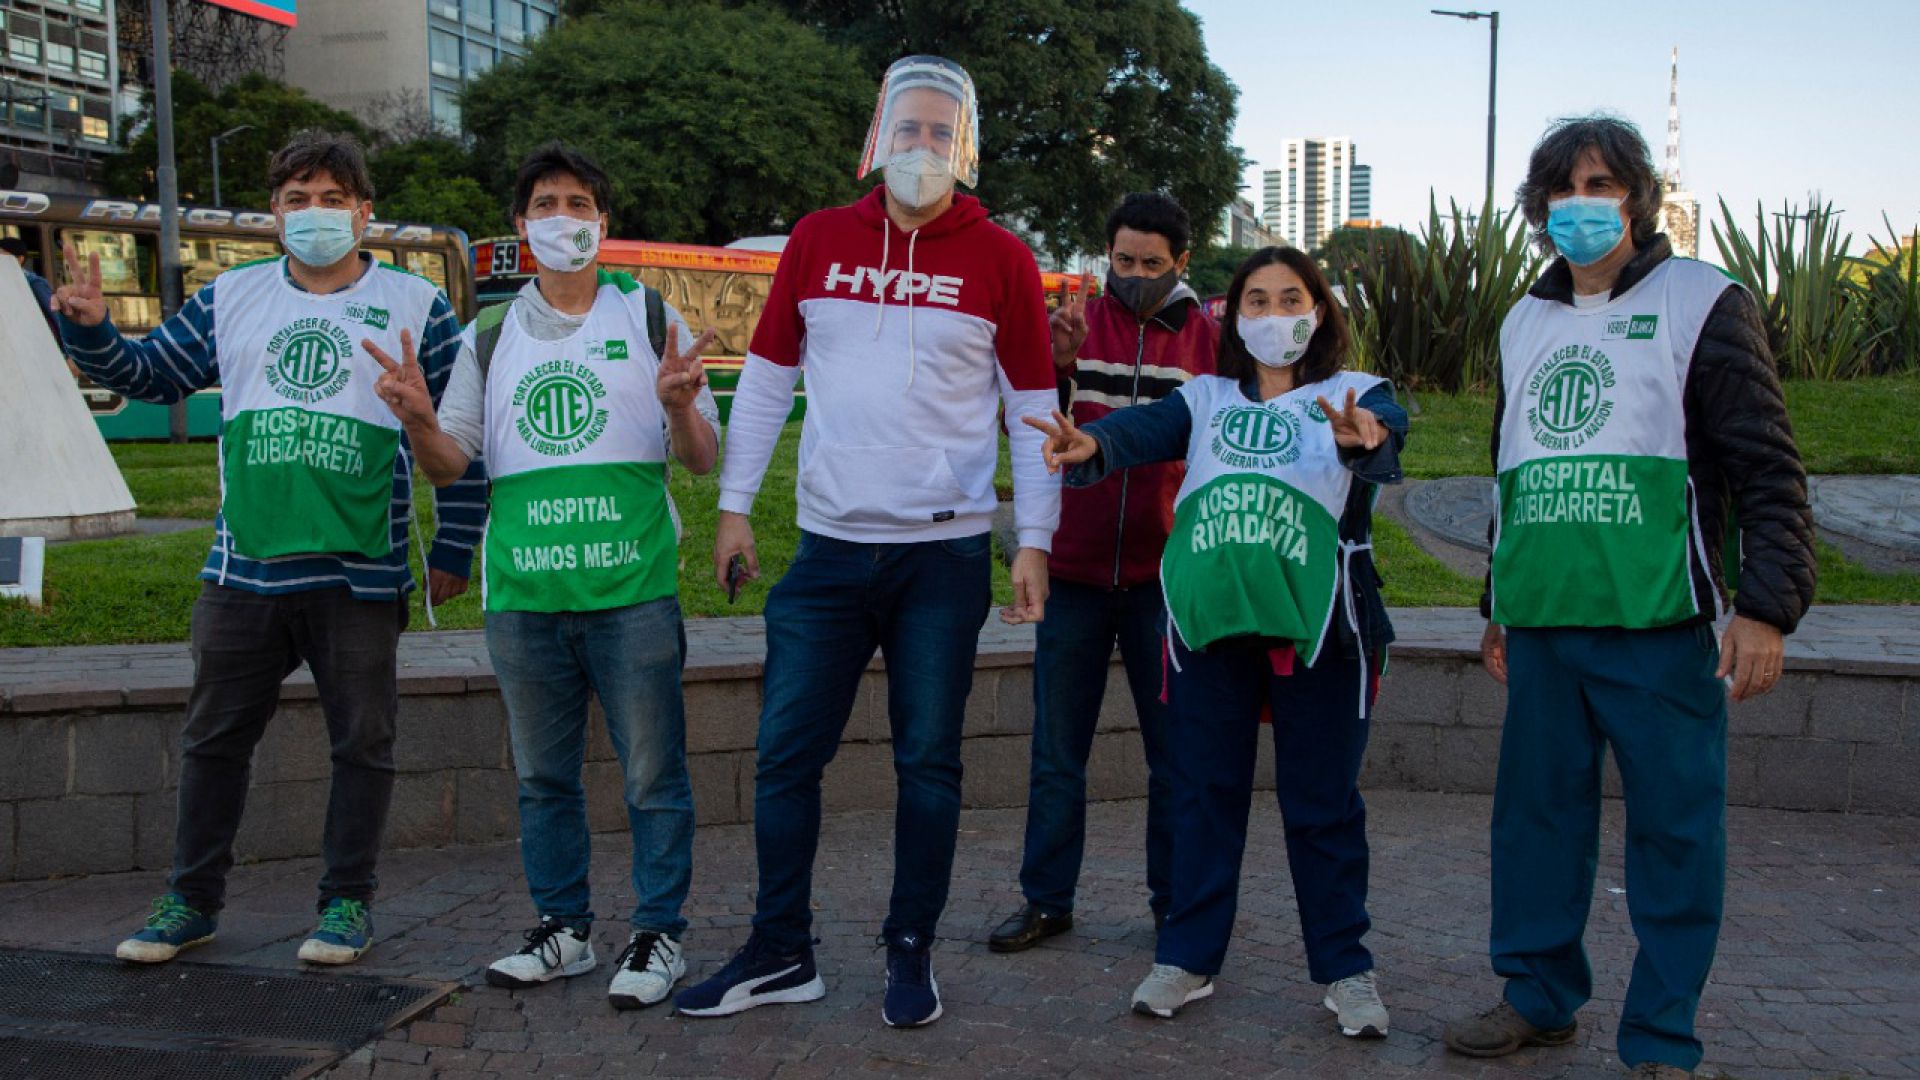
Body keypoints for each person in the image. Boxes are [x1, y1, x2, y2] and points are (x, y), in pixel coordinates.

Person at [675, 55, 1059, 1029]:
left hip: (942, 558)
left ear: (963, 148)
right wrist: (732, 507)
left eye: (940, 133)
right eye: (908, 129)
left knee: (928, 763)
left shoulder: (1001, 257)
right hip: (828, 554)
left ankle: (909, 948)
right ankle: (779, 950)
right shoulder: (817, 241)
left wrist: (1035, 538)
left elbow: (1032, 408)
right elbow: (764, 381)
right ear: (878, 137)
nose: (920, 148)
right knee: (782, 758)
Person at [52, 130, 485, 967]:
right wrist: (95, 332)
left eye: (332, 198)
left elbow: (463, 437)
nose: (314, 214)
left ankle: (346, 906)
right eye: (296, 199)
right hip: (241, 569)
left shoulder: (418, 306)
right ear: (272, 215)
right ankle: (191, 899)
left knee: (362, 744)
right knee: (213, 740)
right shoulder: (232, 296)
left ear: (365, 211)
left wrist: (456, 547)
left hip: (360, 572)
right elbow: (151, 374)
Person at [1441, 116, 1815, 1080]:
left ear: (1638, 199)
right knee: (1535, 824)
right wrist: (1497, 596)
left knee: (1676, 833)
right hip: (1546, 626)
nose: (1580, 206)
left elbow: (1767, 466)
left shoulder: (1705, 301)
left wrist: (1768, 606)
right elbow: (1511, 467)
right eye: (1562, 190)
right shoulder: (1524, 319)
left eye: (1600, 185)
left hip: (1661, 626)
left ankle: (1660, 1036)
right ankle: (1538, 993)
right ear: (1538, 208)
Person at [371, 143, 719, 1010]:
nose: (563, 217)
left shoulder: (649, 318)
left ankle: (658, 933)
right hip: (524, 599)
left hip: (631, 592)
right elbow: (455, 464)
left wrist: (678, 406)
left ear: (604, 224)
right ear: (521, 225)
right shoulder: (491, 335)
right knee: (542, 779)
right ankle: (563, 929)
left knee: (652, 774)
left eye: (579, 203)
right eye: (546, 204)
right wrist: (418, 420)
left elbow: (704, 460)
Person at [1027, 246, 1403, 1036]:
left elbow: (1381, 438)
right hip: (1205, 629)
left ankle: (1347, 972)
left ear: (1320, 310)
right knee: (1203, 796)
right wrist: (1093, 445)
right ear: (1233, 316)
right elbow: (1139, 429)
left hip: (1321, 634)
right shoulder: (1205, 397)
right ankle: (1187, 956)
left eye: (1291, 298)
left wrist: (1365, 436)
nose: (1275, 316)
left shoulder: (1354, 392)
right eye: (1257, 301)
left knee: (1324, 806)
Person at [988, 192, 1217, 954]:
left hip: (1165, 579)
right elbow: (1028, 428)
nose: (1136, 275)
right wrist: (1057, 365)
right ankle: (1047, 900)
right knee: (1057, 752)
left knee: (1172, 756)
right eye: (1124, 260)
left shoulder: (1210, 341)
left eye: (1153, 264)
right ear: (1106, 255)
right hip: (1077, 572)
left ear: (1182, 261)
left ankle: (1172, 902)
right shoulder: (1078, 328)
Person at [2, 235, 61, 346]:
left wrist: (66, 353)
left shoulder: (34, 283)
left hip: (39, 343)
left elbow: (54, 316)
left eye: (3, 256)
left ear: (19, 259)